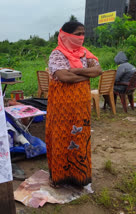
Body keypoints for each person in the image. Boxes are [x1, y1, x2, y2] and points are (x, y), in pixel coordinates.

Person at [46, 21, 102, 187]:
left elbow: (98, 71)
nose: (81, 37)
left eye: (83, 33)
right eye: (78, 34)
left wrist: (75, 70)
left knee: (80, 139)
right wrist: (86, 76)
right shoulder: (56, 54)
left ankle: (79, 178)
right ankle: (58, 178)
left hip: (81, 107)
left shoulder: (85, 53)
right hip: (61, 107)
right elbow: (64, 77)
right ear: (66, 35)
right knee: (61, 139)